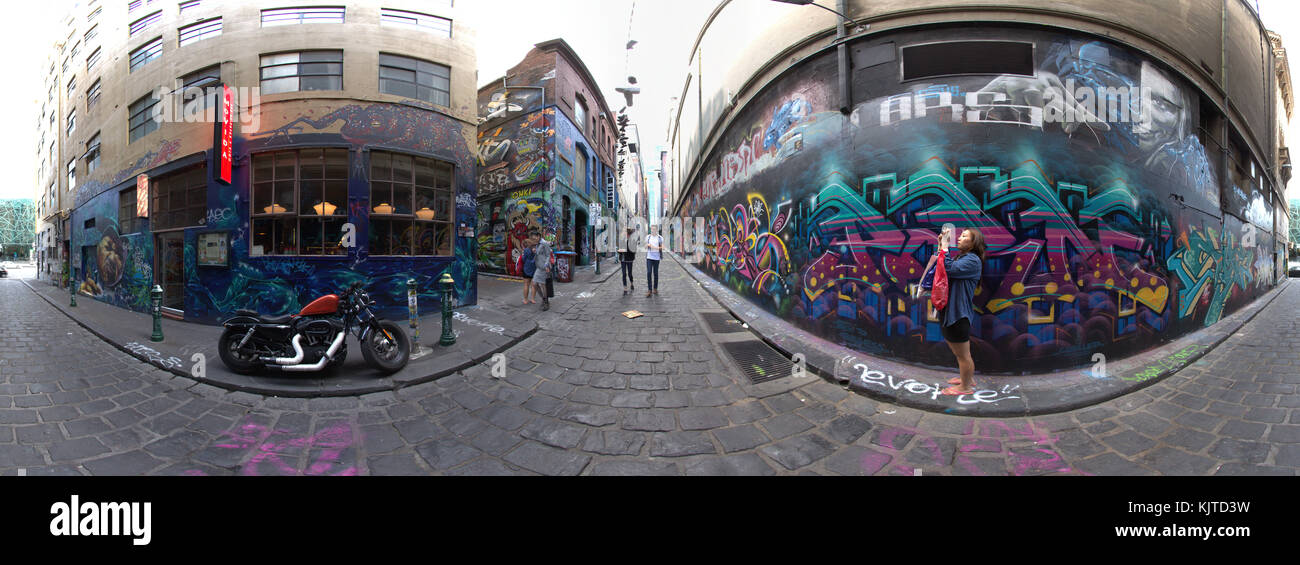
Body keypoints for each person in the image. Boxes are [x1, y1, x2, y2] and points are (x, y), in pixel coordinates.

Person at [925, 226, 986, 396]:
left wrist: (945, 248)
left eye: (965, 236)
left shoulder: (973, 260)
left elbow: (949, 269)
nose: (959, 238)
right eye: (960, 236)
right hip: (951, 312)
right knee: (959, 353)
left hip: (958, 315)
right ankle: (967, 378)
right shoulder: (964, 257)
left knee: (963, 355)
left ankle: (965, 387)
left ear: (974, 243)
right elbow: (944, 266)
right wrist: (941, 247)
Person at [532, 229, 554, 311]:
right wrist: (535, 251)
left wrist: (546, 265)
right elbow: (540, 255)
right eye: (533, 239)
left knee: (542, 284)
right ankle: (544, 299)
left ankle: (546, 302)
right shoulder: (537, 244)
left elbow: (548, 255)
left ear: (538, 236)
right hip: (538, 267)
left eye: (534, 238)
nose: (534, 240)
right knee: (534, 284)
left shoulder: (544, 243)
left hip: (544, 267)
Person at [645, 225, 663, 297]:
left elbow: (662, 247)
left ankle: (655, 288)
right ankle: (649, 290)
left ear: (657, 230)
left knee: (655, 273)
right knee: (649, 272)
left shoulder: (660, 238)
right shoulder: (648, 237)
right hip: (649, 257)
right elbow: (645, 246)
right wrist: (647, 245)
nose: (653, 230)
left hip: (656, 258)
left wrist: (653, 247)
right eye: (652, 229)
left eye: (654, 229)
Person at [519, 235, 538, 305]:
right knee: (534, 285)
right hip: (535, 268)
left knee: (526, 284)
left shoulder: (526, 250)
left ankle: (525, 300)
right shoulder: (537, 249)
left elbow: (523, 259)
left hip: (526, 268)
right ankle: (532, 299)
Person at [619, 227, 637, 295]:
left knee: (629, 273)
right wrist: (620, 251)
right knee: (624, 274)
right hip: (623, 259)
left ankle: (631, 283)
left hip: (629, 259)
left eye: (625, 232)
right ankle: (625, 288)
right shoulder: (622, 239)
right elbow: (619, 250)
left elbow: (634, 250)